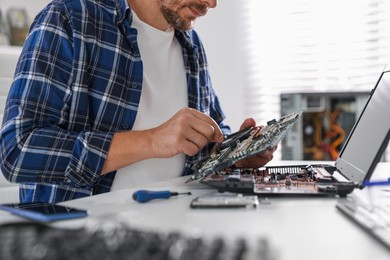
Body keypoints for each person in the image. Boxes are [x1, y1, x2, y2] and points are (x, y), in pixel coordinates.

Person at [0, 0, 276, 203]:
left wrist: (238, 154)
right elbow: (17, 151)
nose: (212, 3)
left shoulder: (192, 46)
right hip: (82, 237)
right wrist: (152, 140)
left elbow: (204, 142)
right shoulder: (69, 20)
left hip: (181, 226)